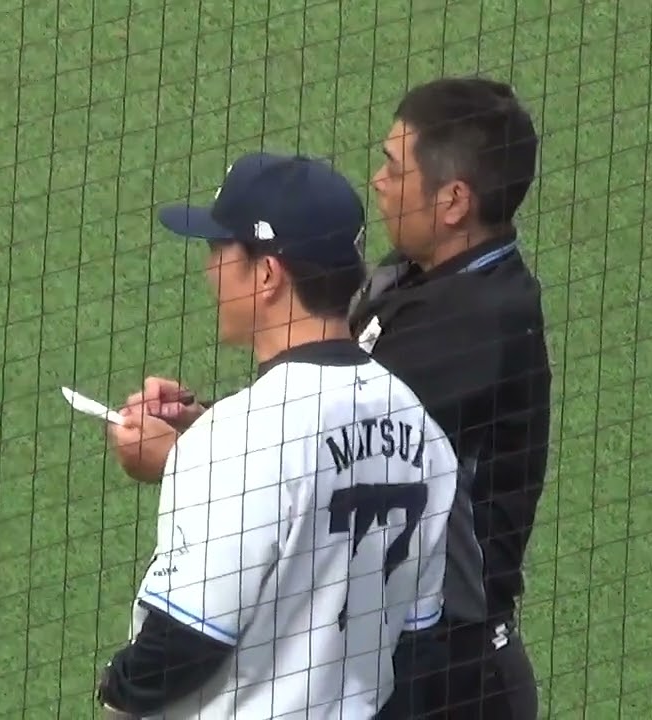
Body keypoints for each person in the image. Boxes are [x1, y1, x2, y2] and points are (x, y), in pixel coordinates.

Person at [117, 77, 552, 719]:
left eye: (394, 167)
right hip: (401, 656)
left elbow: (339, 449)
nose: (378, 181)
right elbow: (325, 425)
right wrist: (206, 427)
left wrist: (193, 454)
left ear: (454, 200)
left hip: (455, 680)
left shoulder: (478, 322)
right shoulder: (428, 280)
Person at [99, 151, 460, 719]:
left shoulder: (239, 438)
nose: (209, 271)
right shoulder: (419, 427)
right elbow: (418, 641)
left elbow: (183, 644)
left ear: (267, 274)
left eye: (219, 251)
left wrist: (113, 691)